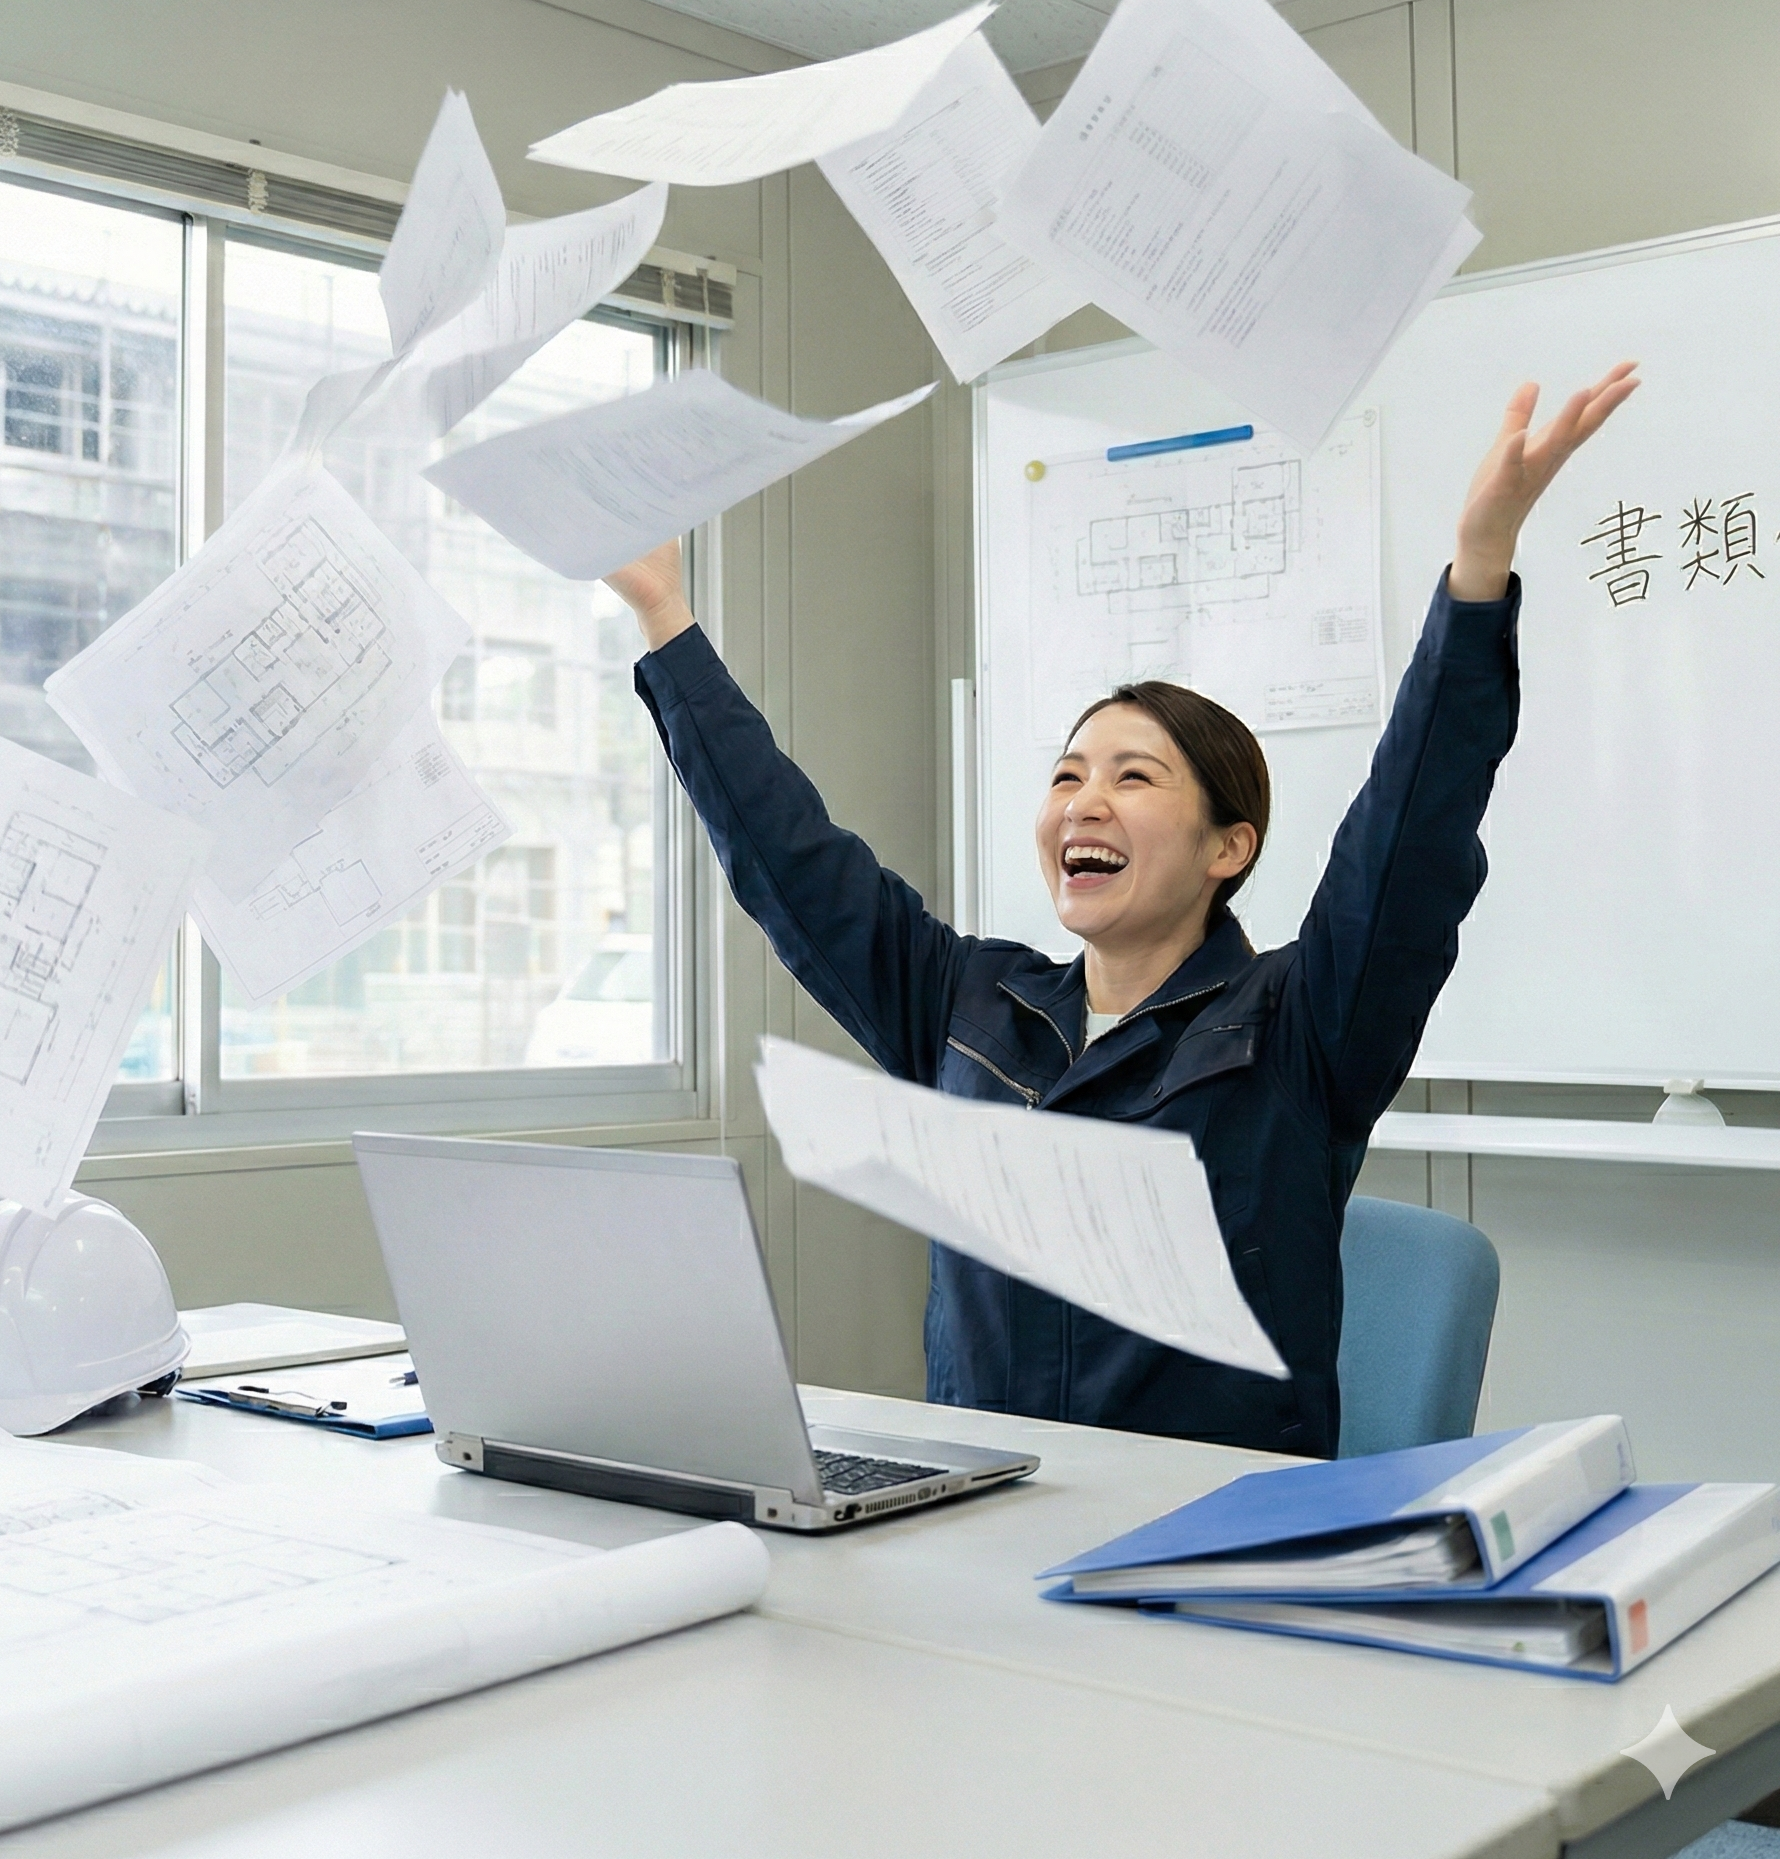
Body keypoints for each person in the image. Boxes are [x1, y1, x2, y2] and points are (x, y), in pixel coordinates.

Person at [606, 365, 1640, 1459]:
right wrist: (663, 618)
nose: (1084, 799)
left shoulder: (1300, 1023)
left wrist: (1477, 573)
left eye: (1133, 778)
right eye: (1066, 774)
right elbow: (787, 858)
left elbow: (1409, 838)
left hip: (1202, 1535)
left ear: (1226, 848)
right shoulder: (966, 1005)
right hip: (977, 1506)